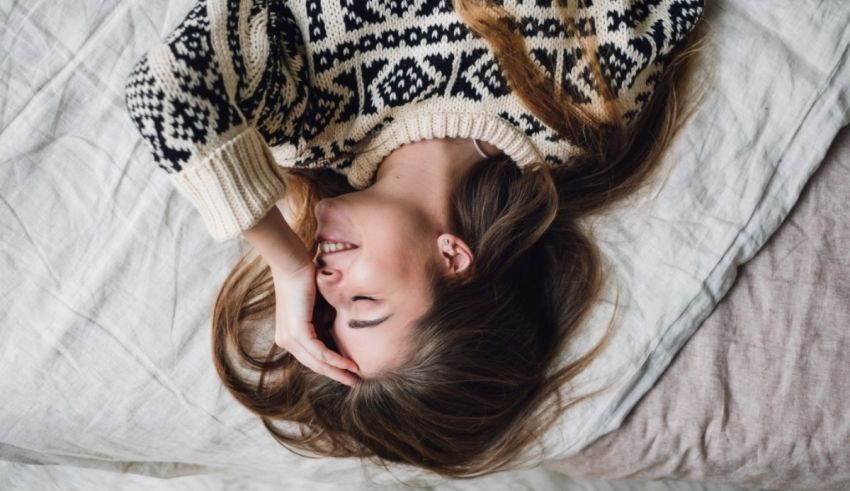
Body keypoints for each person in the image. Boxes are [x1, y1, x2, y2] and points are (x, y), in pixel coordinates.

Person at [125, 0, 705, 477]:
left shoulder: (302, 123)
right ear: (453, 258)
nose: (326, 281)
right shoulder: (579, 107)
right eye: (363, 304)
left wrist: (285, 264)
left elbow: (166, 90)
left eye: (325, 307)